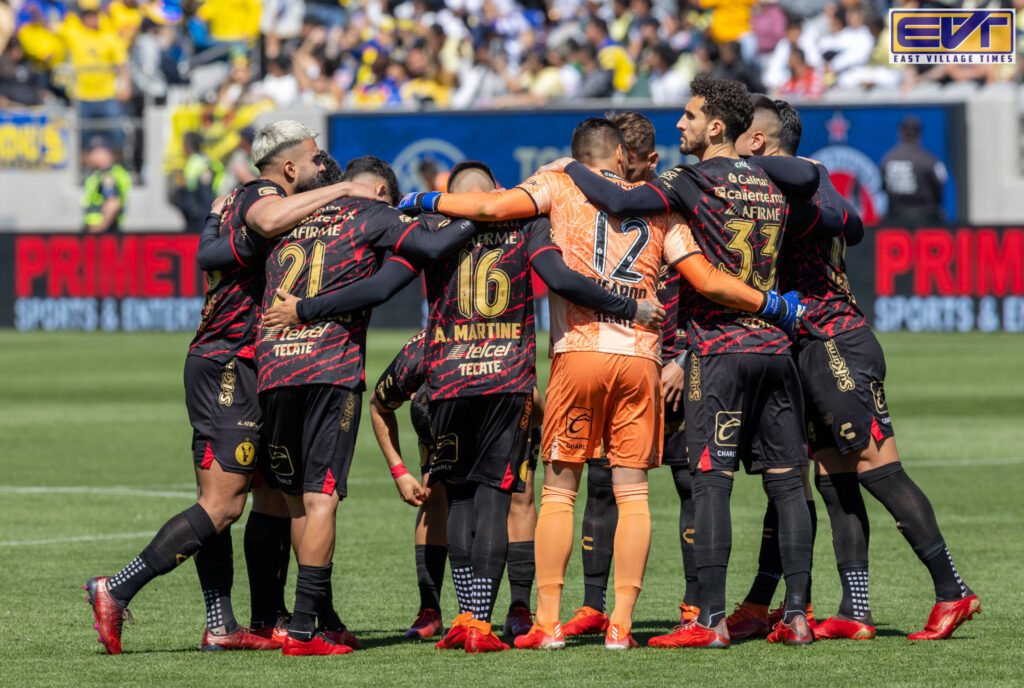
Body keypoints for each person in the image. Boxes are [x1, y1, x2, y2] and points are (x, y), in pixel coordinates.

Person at [400, 116, 803, 650]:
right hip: (641, 357)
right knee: (633, 491)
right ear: (620, 157)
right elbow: (705, 278)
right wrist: (770, 305)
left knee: (560, 489)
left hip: (579, 352)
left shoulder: (557, 182)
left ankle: (546, 622)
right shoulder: (659, 202)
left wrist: (423, 201)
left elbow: (491, 208)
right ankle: (622, 626)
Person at [551, 77, 819, 647]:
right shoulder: (767, 178)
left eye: (690, 116)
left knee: (710, 483)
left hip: (719, 348)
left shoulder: (691, 180)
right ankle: (797, 615)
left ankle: (710, 622)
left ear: (716, 127)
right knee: (787, 485)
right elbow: (811, 178)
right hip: (775, 344)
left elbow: (620, 200)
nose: (680, 125)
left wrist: (570, 167)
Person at [84, 119, 358, 655]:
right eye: (314, 158)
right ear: (288, 166)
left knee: (268, 493)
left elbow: (213, 251)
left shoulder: (231, 199)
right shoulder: (262, 194)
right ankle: (115, 588)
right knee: (223, 504)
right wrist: (344, 189)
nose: (321, 165)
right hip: (229, 361)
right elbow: (267, 218)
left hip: (245, 362)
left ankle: (227, 622)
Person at [764, 101, 979, 641]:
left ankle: (953, 592)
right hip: (808, 346)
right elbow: (854, 227)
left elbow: (846, 223)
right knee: (835, 482)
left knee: (879, 469)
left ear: (762, 143)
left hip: (837, 341)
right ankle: (855, 610)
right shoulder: (791, 190)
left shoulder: (805, 183)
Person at [562, 111, 700, 638]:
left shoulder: (673, 203)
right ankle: (594, 604)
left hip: (676, 365)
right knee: (600, 483)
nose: (616, 181)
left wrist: (682, 357)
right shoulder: (595, 204)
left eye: (630, 165)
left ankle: (694, 604)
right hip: (621, 360)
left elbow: (699, 288)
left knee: (690, 482)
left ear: (647, 162)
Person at [881, 115, 947, 225]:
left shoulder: (888, 159)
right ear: (919, 134)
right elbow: (939, 190)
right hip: (924, 221)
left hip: (895, 222)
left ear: (900, 132)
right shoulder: (928, 160)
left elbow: (882, 188)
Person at [173, 131, 222, 231]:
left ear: (188, 144)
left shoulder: (201, 162)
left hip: (199, 217)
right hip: (193, 214)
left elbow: (205, 196)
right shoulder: (194, 160)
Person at [81, 140, 131, 233]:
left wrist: (100, 227)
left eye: (97, 152)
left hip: (105, 232)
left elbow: (113, 203)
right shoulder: (102, 173)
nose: (92, 155)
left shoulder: (107, 176)